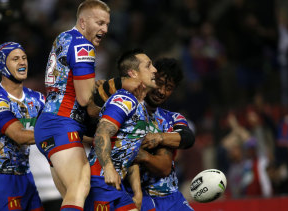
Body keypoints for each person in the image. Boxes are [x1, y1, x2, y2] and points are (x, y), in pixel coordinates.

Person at [34, 1, 111, 210]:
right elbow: (85, 99)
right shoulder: (83, 46)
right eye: (100, 22)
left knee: (74, 200)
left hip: (48, 126)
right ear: (83, 22)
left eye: (107, 24)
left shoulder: (64, 37)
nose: (105, 29)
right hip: (62, 125)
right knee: (80, 184)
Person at [84, 49, 157, 211]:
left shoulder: (140, 106)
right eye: (148, 66)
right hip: (100, 181)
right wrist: (109, 168)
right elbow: (102, 132)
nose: (155, 70)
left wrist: (137, 192)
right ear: (133, 73)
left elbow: (129, 150)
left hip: (115, 185)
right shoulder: (124, 99)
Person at [0, 42, 45, 211]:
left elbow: (60, 123)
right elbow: (19, 136)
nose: (22, 62)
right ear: (3, 65)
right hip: (0, 178)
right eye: (15, 59)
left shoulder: (38, 99)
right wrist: (58, 135)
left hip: (26, 176)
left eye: (24, 58)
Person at [134, 58, 195, 210]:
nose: (162, 91)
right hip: (140, 195)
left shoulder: (173, 118)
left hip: (172, 197)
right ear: (150, 78)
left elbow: (188, 137)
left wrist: (158, 138)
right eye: (159, 83)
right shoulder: (130, 110)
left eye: (168, 88)